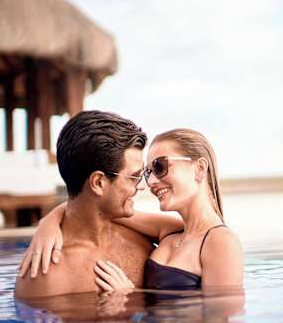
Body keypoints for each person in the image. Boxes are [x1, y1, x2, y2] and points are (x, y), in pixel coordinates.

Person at [21, 127, 244, 292]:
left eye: (160, 166)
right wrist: (49, 222)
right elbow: (92, 206)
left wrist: (130, 295)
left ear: (200, 168)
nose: (151, 181)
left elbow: (219, 315)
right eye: (148, 172)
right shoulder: (170, 231)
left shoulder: (220, 241)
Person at [15, 110, 182, 298]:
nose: (142, 185)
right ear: (98, 182)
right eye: (134, 176)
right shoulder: (45, 277)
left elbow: (192, 230)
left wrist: (51, 218)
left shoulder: (142, 239)